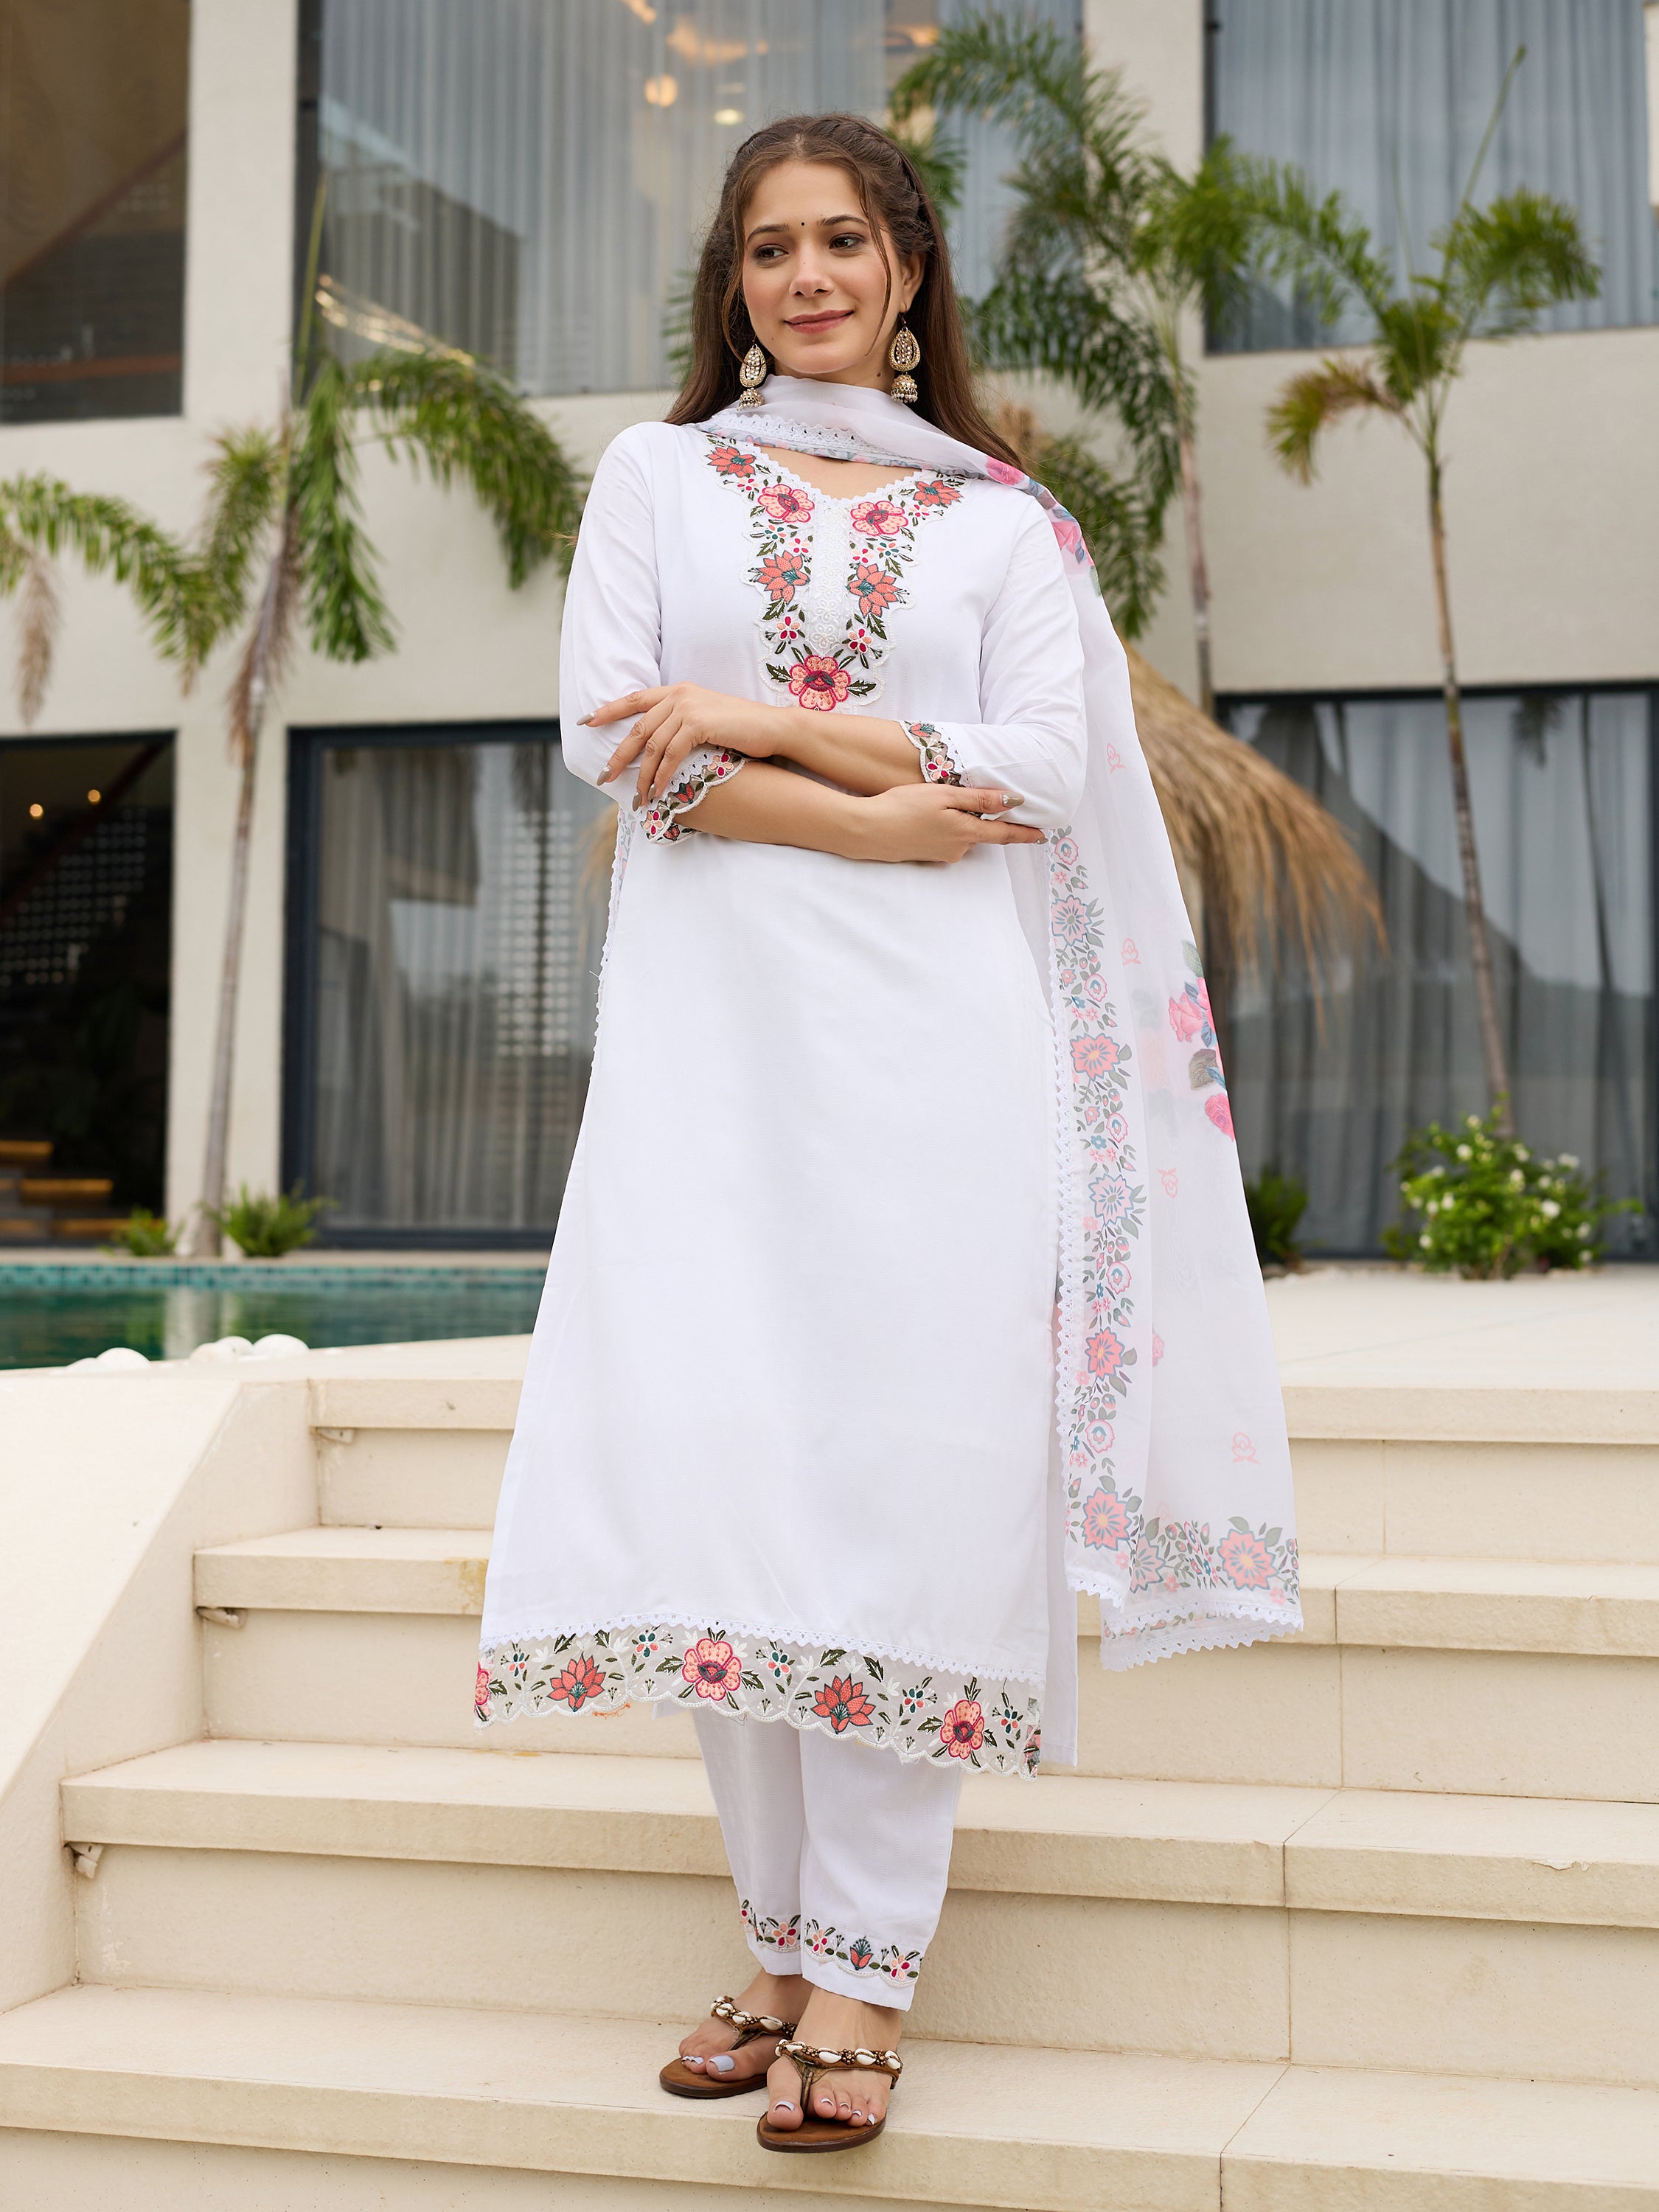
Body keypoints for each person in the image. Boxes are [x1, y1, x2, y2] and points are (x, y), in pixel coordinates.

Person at [476, 111, 1301, 2154]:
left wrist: (753, 717)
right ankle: (774, 1942)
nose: (808, 276)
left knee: (904, 1483)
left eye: (843, 239)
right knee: (725, 1478)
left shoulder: (1010, 528)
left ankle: (862, 1975)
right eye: (770, 248)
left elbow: (1034, 761)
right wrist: (860, 805)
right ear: (732, 286)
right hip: (713, 1060)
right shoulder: (658, 478)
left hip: (943, 1065)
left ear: (911, 270)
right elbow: (610, 730)